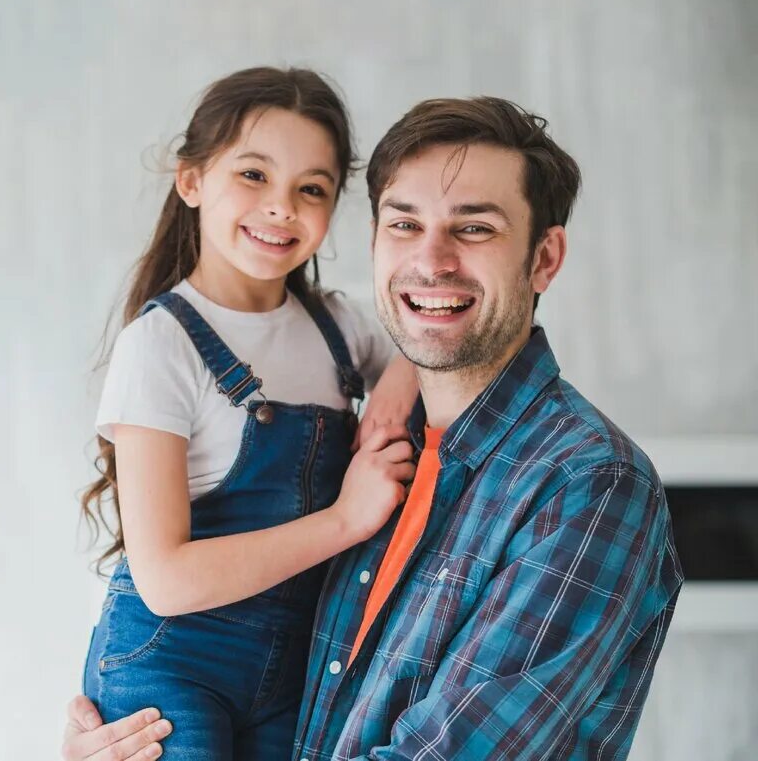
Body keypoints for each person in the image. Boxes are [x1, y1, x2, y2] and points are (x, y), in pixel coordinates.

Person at [63, 96, 684, 760]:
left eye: (474, 228)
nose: (433, 259)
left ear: (544, 258)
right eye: (404, 224)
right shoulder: (368, 456)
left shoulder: (586, 484)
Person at [76, 67, 421, 761]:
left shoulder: (339, 327)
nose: (282, 207)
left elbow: (426, 345)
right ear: (192, 180)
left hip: (294, 668)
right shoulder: (161, 345)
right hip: (171, 663)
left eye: (311, 189)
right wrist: (345, 520)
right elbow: (167, 578)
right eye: (255, 175)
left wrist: (391, 387)